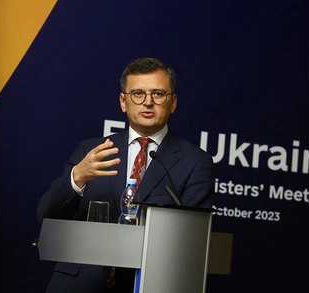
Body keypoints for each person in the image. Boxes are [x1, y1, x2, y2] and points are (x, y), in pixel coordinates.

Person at [37, 57, 214, 293]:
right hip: (78, 285)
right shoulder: (91, 151)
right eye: (138, 93)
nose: (148, 102)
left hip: (148, 285)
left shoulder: (195, 162)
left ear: (173, 103)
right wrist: (76, 177)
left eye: (158, 94)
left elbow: (193, 243)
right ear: (123, 101)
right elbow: (46, 216)